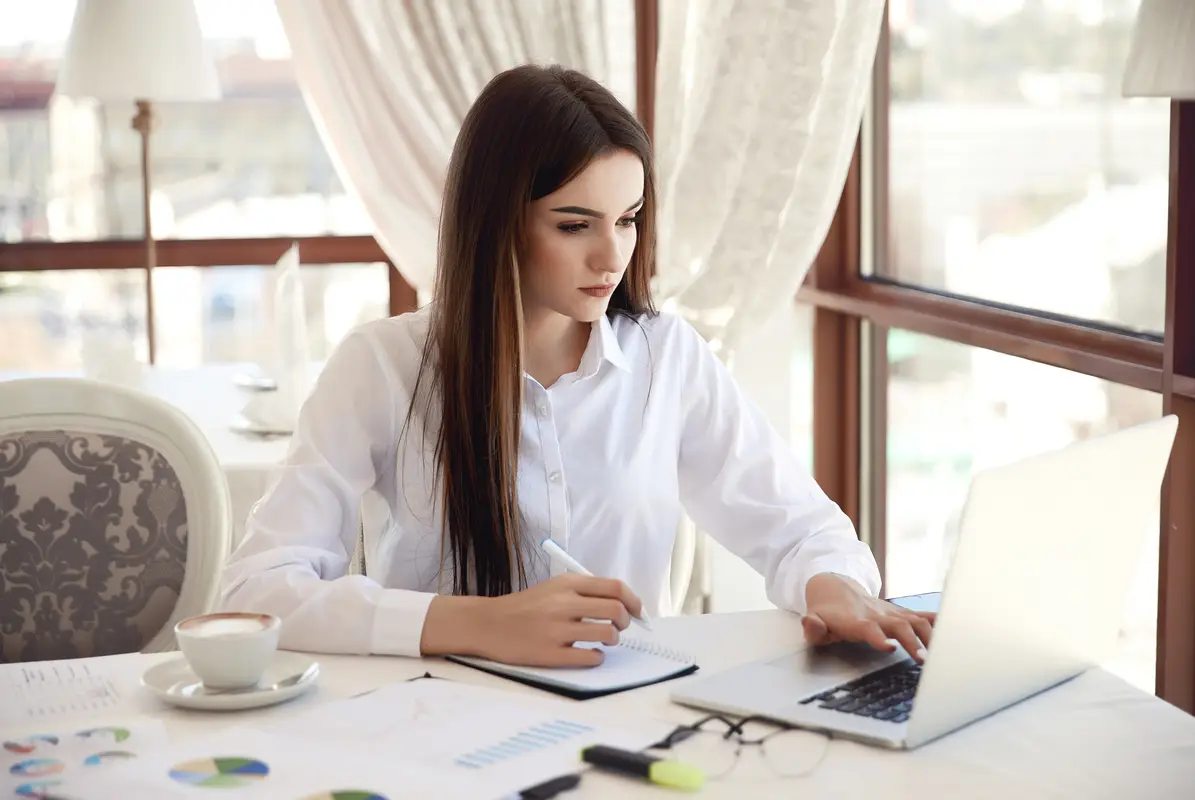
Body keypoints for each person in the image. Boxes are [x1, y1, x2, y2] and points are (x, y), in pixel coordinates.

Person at [218, 64, 934, 668]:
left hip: (627, 720)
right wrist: (476, 623)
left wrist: (831, 584)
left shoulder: (667, 358)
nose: (612, 256)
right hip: (433, 726)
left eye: (627, 219)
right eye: (574, 225)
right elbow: (255, 590)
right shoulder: (381, 367)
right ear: (496, 221)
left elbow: (803, 530)